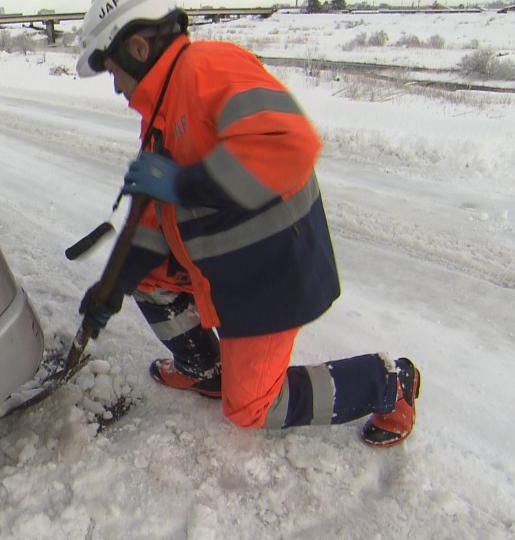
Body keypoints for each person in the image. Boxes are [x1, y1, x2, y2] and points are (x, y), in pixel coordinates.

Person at [75, 0, 420, 447]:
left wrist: (184, 183)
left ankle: (387, 384)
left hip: (270, 277)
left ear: (137, 48)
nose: (116, 88)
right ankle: (205, 369)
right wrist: (112, 286)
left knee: (252, 407)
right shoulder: (160, 112)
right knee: (147, 281)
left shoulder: (208, 69)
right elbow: (159, 221)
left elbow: (288, 146)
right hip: (222, 272)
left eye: (111, 72)